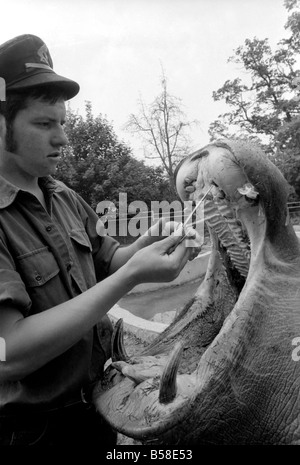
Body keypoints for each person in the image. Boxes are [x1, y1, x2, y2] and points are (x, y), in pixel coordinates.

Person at [0, 34, 197, 446]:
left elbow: (110, 261)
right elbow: (8, 353)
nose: (62, 139)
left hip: (99, 407)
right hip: (32, 433)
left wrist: (148, 242)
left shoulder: (64, 195)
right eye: (44, 123)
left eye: (63, 124)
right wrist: (128, 280)